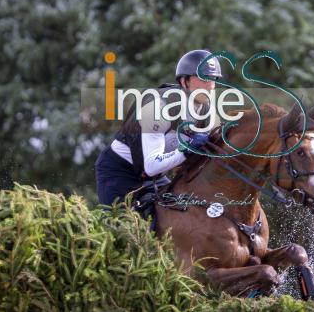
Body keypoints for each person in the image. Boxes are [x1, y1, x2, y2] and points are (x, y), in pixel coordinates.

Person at [95, 49, 222, 211]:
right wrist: (186, 150)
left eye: (213, 79)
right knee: (121, 229)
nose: (210, 86)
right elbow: (151, 165)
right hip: (120, 171)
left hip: (156, 177)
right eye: (203, 79)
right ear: (184, 81)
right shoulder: (157, 108)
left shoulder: (208, 111)